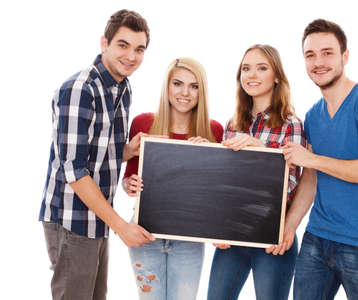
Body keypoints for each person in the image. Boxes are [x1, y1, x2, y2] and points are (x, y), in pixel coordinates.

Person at [39, 9, 151, 300]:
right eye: (123, 45)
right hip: (71, 219)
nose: (131, 56)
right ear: (104, 42)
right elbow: (74, 171)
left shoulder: (121, 88)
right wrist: (121, 226)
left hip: (97, 218)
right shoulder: (80, 90)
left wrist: (128, 151)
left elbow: (96, 153)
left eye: (139, 49)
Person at [281, 19, 358, 300]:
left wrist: (313, 159)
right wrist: (290, 226)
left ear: (345, 56)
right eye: (310, 55)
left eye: (327, 52)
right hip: (317, 238)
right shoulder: (313, 115)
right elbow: (311, 179)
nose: (318, 62)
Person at [206, 44, 305, 300]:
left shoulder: (291, 125)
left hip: (273, 238)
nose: (252, 74)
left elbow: (290, 185)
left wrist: (261, 151)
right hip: (233, 235)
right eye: (246, 68)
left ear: (276, 78)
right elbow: (224, 186)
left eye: (262, 68)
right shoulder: (233, 124)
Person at [122, 57, 224, 300]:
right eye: (177, 84)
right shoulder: (143, 123)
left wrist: (209, 157)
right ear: (167, 87)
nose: (185, 93)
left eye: (194, 86)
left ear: (202, 91)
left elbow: (218, 195)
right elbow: (128, 178)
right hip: (146, 231)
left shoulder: (214, 130)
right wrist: (130, 184)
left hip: (189, 236)